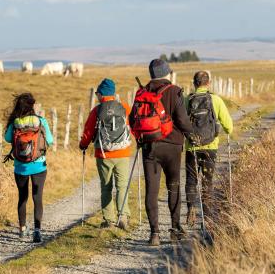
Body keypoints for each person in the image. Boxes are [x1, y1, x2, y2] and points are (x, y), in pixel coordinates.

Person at [130, 59, 194, 246]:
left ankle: (154, 234)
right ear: (167, 73)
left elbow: (133, 119)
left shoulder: (142, 92)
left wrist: (140, 138)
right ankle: (175, 229)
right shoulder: (174, 91)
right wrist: (192, 135)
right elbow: (182, 120)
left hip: (149, 147)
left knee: (152, 190)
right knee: (173, 186)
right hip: (172, 147)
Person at [79, 78, 133, 230]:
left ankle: (109, 220)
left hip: (104, 155)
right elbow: (133, 126)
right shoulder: (124, 107)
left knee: (106, 187)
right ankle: (123, 216)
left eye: (98, 93)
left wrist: (83, 145)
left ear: (102, 94)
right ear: (113, 93)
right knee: (122, 186)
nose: (97, 96)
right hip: (123, 153)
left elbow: (88, 132)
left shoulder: (97, 110)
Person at [184, 71, 233, 226]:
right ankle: (207, 215)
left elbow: (180, 122)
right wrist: (227, 131)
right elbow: (229, 126)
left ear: (194, 83)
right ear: (208, 83)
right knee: (207, 181)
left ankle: (191, 207)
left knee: (191, 180)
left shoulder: (187, 100)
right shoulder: (216, 100)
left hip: (192, 147)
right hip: (210, 147)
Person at [4, 92, 54, 243]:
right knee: (37, 198)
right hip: (39, 165)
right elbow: (50, 140)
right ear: (32, 105)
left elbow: (7, 139)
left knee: (23, 197)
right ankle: (37, 231)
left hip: (20, 167)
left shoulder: (15, 122)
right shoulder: (40, 121)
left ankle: (22, 229)